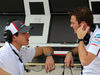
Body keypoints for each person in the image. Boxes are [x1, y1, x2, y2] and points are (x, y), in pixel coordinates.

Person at [64, 6, 100, 75]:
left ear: (83, 24)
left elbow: (84, 61)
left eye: (73, 23)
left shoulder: (98, 36)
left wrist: (80, 39)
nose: (71, 25)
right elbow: (84, 48)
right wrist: (70, 53)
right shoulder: (88, 35)